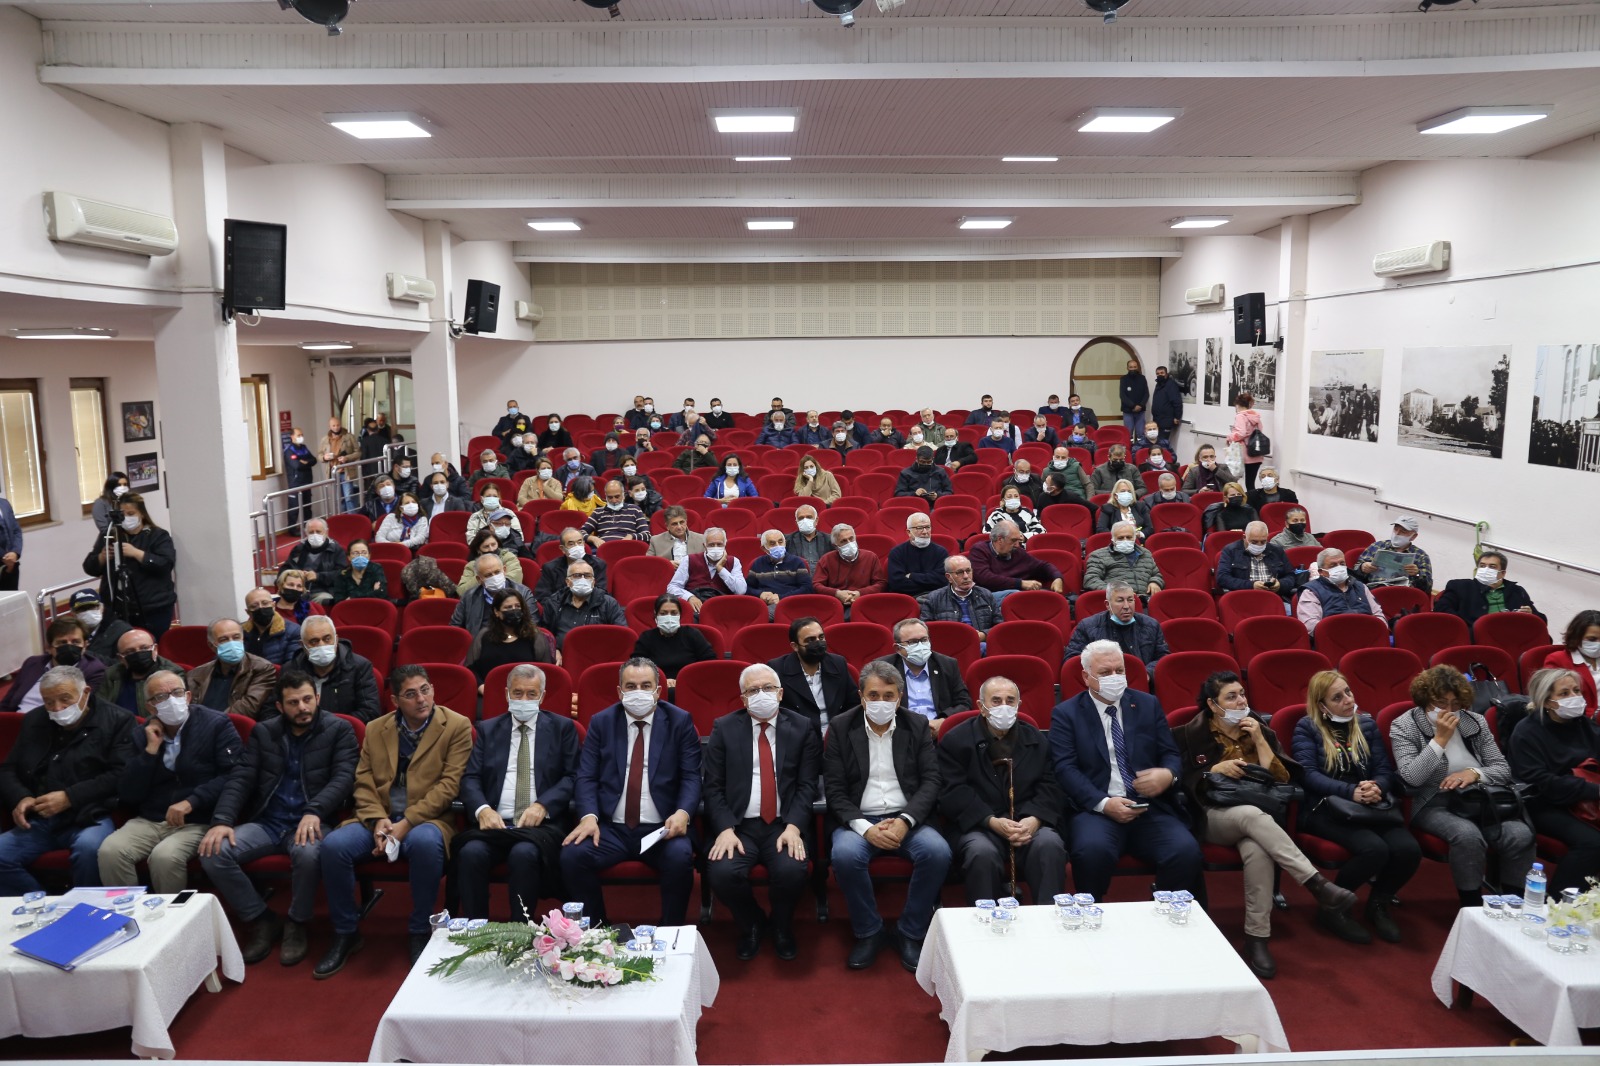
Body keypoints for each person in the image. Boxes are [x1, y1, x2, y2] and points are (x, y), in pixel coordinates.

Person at [1173, 672, 1358, 978]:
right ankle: (1316, 883)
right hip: (1213, 815)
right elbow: (1178, 781)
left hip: (1260, 819)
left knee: (1258, 850)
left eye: (1242, 694)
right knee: (1251, 816)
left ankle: (1256, 938)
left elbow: (1282, 778)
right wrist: (1213, 770)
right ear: (1212, 705)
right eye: (1231, 697)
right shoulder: (1188, 735)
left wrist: (1259, 738)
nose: (1241, 701)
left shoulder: (1260, 728)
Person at [316, 664, 474, 975]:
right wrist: (377, 820)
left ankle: (419, 929)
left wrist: (407, 823)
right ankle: (346, 932)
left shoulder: (456, 725)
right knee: (334, 846)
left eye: (425, 690)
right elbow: (362, 781)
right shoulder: (376, 728)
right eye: (411, 694)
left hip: (427, 819)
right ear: (395, 700)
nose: (421, 699)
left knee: (426, 844)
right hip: (378, 817)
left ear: (433, 690)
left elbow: (449, 785)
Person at [199, 672, 359, 966]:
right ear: (280, 706)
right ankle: (261, 918)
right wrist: (222, 820)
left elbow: (344, 778)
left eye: (307, 699)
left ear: (318, 698)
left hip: (314, 819)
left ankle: (297, 922)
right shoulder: (264, 732)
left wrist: (315, 810)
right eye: (293, 702)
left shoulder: (339, 729)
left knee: (308, 853)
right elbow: (242, 778)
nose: (303, 707)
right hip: (268, 821)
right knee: (213, 852)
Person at [1048, 640, 1202, 901]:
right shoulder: (1066, 713)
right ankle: (1091, 912)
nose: (1115, 677)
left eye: (1119, 671)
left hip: (1149, 806)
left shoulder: (1147, 704)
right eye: (1105, 672)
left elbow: (1170, 753)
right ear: (1086, 677)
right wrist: (1104, 804)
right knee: (1091, 852)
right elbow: (1065, 768)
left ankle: (1162, 910)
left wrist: (1168, 775)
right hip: (1097, 809)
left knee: (1186, 851)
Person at [824, 661, 949, 972]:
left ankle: (911, 931)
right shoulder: (840, 727)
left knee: (937, 852)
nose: (881, 702)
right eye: (873, 695)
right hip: (859, 819)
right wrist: (866, 829)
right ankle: (869, 931)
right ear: (861, 696)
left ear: (900, 696)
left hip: (907, 817)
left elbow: (931, 781)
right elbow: (835, 789)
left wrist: (905, 821)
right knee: (845, 855)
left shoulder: (916, 724)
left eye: (888, 695)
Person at [561, 659, 701, 926]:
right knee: (573, 856)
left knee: (680, 857)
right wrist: (588, 816)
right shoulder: (602, 722)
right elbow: (586, 776)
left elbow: (691, 776)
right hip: (611, 828)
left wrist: (683, 813)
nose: (639, 692)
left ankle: (670, 931)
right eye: (631, 686)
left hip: (661, 829)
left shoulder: (679, 721)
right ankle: (597, 931)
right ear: (620, 691)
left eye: (646, 686)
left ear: (658, 691)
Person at [703, 663, 823, 961]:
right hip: (739, 825)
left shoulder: (803, 727)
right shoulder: (724, 727)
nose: (761, 694)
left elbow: (808, 785)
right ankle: (752, 923)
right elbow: (713, 786)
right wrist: (725, 829)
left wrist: (794, 827)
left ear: (780, 693)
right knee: (722, 872)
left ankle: (781, 926)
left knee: (792, 870)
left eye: (768, 688)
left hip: (784, 823)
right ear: (743, 699)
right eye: (753, 690)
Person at [1391, 665, 1535, 906]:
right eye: (1440, 703)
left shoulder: (1475, 721)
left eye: (1455, 704)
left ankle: (1514, 903)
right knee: (1468, 836)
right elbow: (1412, 777)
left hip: (1480, 798)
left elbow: (1502, 769)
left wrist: (1474, 773)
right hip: (1434, 801)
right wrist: (1439, 740)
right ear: (1425, 700)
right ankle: (1471, 905)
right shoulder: (1404, 725)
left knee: (1520, 834)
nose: (1449, 711)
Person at [1294, 670, 1419, 943]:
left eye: (1348, 692)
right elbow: (1308, 775)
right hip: (1325, 807)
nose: (1348, 700)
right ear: (1322, 705)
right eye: (1337, 697)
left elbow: (1384, 770)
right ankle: (1333, 908)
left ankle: (1378, 903)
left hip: (1368, 803)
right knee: (1374, 850)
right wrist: (1351, 792)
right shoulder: (1307, 727)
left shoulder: (1366, 724)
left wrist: (1377, 787)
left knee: (1408, 850)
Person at [453, 664, 581, 922]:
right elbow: (471, 778)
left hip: (540, 827)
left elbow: (572, 776)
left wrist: (543, 805)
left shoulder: (563, 728)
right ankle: (476, 929)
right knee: (470, 853)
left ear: (542, 696)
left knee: (524, 854)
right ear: (506, 694)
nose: (524, 700)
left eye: (531, 694)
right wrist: (482, 810)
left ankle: (521, 928)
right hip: (495, 824)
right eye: (518, 693)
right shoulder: (488, 729)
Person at [96, 670, 236, 894]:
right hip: (151, 819)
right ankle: (129, 911)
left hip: (197, 819)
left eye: (177, 693)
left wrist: (192, 801)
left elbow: (231, 776)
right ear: (151, 707)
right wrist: (150, 751)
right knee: (110, 852)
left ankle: (170, 915)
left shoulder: (216, 724)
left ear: (188, 697)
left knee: (164, 857)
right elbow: (129, 792)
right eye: (161, 697)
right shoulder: (141, 734)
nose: (171, 700)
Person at [0, 666, 136, 893]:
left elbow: (121, 775)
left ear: (86, 692)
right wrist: (21, 797)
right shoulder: (35, 720)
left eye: (65, 699)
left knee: (89, 849)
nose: (57, 708)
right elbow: (8, 769)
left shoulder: (118, 720)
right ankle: (42, 905)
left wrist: (69, 797)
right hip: (40, 818)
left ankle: (86, 907)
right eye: (48, 702)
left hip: (90, 815)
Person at [939, 675, 1065, 903]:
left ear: (1019, 705)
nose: (1004, 707)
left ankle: (1048, 917)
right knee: (981, 852)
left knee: (1049, 844)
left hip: (1027, 823)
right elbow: (953, 792)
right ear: (981, 706)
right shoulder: (956, 741)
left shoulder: (1036, 739)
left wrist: (1034, 820)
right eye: (996, 701)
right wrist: (991, 821)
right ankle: (985, 917)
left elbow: (1051, 786)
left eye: (1010, 701)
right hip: (980, 825)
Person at [1509, 668, 1600, 893]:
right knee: (1592, 843)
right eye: (1565, 693)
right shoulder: (1527, 732)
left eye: (1577, 691)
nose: (1574, 697)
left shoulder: (1584, 724)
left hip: (1587, 798)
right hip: (1545, 803)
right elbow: (1540, 782)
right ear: (1547, 701)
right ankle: (1559, 903)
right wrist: (1593, 790)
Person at [81, 491, 178, 638]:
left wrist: (137, 554)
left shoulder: (157, 535)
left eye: (131, 513)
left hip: (152, 607)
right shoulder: (109, 535)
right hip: (116, 608)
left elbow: (165, 564)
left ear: (142, 514)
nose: (126, 518)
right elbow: (89, 568)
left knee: (151, 644)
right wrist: (102, 557)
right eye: (122, 514)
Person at [876, 619, 971, 730]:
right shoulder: (883, 668)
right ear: (898, 648)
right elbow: (876, 707)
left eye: (924, 640)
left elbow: (964, 703)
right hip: (901, 730)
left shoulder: (947, 664)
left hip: (941, 730)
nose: (920, 646)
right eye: (913, 642)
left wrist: (943, 721)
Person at [768, 617, 854, 737]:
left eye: (821, 637)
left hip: (835, 734)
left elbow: (853, 703)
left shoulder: (837, 663)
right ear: (795, 646)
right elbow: (774, 711)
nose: (818, 643)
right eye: (810, 640)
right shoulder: (778, 668)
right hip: (797, 736)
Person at [0, 618, 107, 714]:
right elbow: (8, 702)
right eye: (62, 643)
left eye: (75, 642)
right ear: (49, 647)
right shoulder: (33, 663)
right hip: (16, 719)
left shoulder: (94, 670)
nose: (69, 647)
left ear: (85, 645)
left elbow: (81, 710)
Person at [286, 617, 382, 721]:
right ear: (302, 645)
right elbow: (276, 711)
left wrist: (329, 726)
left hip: (344, 729)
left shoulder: (360, 667)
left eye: (327, 639)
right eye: (314, 641)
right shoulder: (291, 670)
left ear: (336, 640)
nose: (322, 645)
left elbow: (369, 712)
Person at [1066, 581, 1169, 674]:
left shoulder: (1151, 625)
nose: (1126, 606)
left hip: (1142, 682)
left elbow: (1163, 658)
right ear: (1107, 604)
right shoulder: (1087, 627)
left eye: (1130, 600)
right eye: (1120, 601)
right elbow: (1072, 660)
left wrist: (1146, 673)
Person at [185, 618, 277, 719]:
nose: (232, 643)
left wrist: (211, 724)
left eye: (236, 637)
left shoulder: (261, 668)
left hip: (233, 726)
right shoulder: (195, 675)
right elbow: (189, 709)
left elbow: (247, 708)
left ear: (242, 639)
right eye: (223, 639)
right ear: (211, 645)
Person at [465, 588, 556, 687]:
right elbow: (470, 669)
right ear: (496, 612)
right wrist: (481, 686)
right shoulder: (484, 635)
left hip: (525, 692)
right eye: (508, 607)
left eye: (517, 606)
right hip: (488, 691)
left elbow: (546, 671)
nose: (514, 610)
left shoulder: (534, 636)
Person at [631, 593, 717, 692]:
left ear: (680, 615)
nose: (669, 617)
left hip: (691, 687)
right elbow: (637, 667)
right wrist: (661, 681)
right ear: (656, 615)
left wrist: (683, 681)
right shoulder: (646, 637)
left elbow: (710, 663)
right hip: (656, 688)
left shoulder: (692, 634)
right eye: (663, 613)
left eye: (674, 613)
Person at [1434, 551, 1544, 626]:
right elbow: (1441, 608)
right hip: (1476, 636)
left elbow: (1542, 620)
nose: (1486, 570)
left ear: (1503, 573)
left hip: (1512, 635)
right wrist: (1466, 627)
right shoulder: (1460, 586)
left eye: (1492, 567)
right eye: (1482, 566)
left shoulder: (1517, 591)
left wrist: (1532, 615)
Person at [539, 559, 627, 648]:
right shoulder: (554, 603)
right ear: (568, 582)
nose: (582, 579)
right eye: (577, 576)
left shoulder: (608, 603)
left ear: (593, 582)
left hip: (599, 653)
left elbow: (622, 634)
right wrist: (554, 650)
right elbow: (545, 636)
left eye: (587, 576)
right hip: (562, 655)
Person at [1296, 548, 1383, 634]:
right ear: (1321, 572)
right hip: (1334, 638)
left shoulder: (1360, 586)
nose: (1339, 568)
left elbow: (1379, 616)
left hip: (1368, 635)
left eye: (1342, 564)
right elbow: (1311, 627)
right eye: (1333, 565)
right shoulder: (1311, 591)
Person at [970, 519, 1063, 599]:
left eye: (1019, 541)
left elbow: (1042, 566)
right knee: (1015, 595)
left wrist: (1057, 577)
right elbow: (985, 578)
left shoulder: (1018, 552)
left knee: (1045, 595)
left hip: (1016, 597)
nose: (1017, 545)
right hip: (988, 598)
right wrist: (1020, 583)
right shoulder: (979, 550)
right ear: (1000, 539)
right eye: (1013, 540)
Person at [98, 628, 184, 713]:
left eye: (144, 648)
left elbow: (173, 713)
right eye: (130, 652)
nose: (138, 654)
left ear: (155, 649)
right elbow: (99, 708)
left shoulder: (173, 675)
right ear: (121, 658)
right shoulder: (111, 674)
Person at [666, 526, 748, 614]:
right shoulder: (689, 560)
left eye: (719, 544)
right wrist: (689, 597)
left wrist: (720, 569)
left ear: (725, 545)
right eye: (711, 545)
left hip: (723, 608)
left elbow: (741, 590)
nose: (715, 548)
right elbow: (672, 587)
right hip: (696, 608)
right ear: (704, 546)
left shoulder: (733, 561)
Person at [918, 555, 1000, 641]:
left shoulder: (985, 594)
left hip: (981, 642)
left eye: (968, 571)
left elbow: (999, 625)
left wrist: (983, 634)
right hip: (949, 643)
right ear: (949, 577)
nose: (966, 576)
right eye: (960, 572)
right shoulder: (934, 598)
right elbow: (925, 629)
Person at [1215, 521, 1299, 599]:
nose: (1259, 545)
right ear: (1244, 537)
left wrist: (1280, 585)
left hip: (1274, 598)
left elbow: (1291, 576)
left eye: (1263, 542)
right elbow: (1223, 578)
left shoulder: (1277, 550)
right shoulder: (1231, 551)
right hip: (1243, 598)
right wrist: (1251, 585)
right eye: (1254, 542)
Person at [814, 524, 887, 611]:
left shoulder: (871, 557)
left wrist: (859, 593)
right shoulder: (826, 559)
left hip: (865, 603)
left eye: (851, 539)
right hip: (835, 605)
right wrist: (837, 593)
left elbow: (880, 583)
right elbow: (817, 584)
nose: (849, 543)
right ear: (835, 546)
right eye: (843, 541)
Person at [1082, 522, 1163, 597]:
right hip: (1117, 600)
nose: (1125, 540)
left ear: (1134, 538)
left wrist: (1155, 582)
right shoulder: (1099, 555)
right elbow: (1090, 579)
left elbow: (1156, 574)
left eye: (1129, 537)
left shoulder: (1145, 553)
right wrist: (1115, 591)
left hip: (1146, 598)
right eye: (1120, 538)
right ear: (1113, 539)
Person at [1543, 610, 1600, 714]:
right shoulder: (1557, 660)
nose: (1598, 643)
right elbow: (1559, 703)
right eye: (1592, 639)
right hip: (1583, 719)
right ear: (1577, 637)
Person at [1356, 516, 1433, 593]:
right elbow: (1354, 572)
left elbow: (1427, 587)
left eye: (1403, 531)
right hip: (1373, 591)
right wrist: (1362, 567)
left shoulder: (1421, 556)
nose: (1397, 533)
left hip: (1402, 594)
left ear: (1413, 536)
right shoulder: (1377, 546)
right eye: (1395, 529)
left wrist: (1417, 574)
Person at [280, 519, 347, 606]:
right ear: (306, 534)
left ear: (326, 532)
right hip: (298, 589)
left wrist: (318, 576)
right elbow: (284, 570)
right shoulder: (298, 549)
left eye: (318, 532)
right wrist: (295, 573)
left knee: (325, 601)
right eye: (311, 532)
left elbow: (341, 574)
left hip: (323, 591)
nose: (315, 535)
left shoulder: (337, 550)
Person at [747, 528, 814, 614]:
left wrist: (781, 597)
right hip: (765, 604)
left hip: (791, 604)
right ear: (764, 548)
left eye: (780, 542)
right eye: (772, 543)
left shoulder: (797, 562)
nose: (778, 546)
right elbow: (747, 588)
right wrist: (760, 594)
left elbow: (807, 588)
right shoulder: (758, 563)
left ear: (785, 543)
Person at [532, 528, 608, 601]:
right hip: (560, 607)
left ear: (584, 544)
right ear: (562, 549)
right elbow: (542, 596)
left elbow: (601, 593)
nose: (577, 546)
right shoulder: (550, 568)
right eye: (571, 544)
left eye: (579, 542)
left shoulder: (598, 565)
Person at [887, 513, 948, 597]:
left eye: (928, 527)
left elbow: (942, 581)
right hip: (907, 598)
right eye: (919, 528)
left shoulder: (941, 552)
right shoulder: (897, 553)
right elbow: (897, 584)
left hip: (936, 598)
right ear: (909, 532)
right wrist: (930, 583)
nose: (925, 532)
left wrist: (913, 576)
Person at [70, 588, 131, 666]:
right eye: (82, 609)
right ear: (73, 613)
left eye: (92, 607)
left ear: (102, 608)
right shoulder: (71, 634)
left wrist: (85, 653)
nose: (88, 612)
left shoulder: (121, 630)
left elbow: (123, 664)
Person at [243, 587, 301, 667]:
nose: (260, 607)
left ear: (273, 605)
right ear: (248, 612)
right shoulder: (241, 633)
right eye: (254, 606)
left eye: (265, 603)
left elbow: (291, 666)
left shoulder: (293, 631)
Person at [581, 479, 649, 547]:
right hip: (604, 548)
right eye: (610, 497)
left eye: (617, 497)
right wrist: (593, 538)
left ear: (623, 495)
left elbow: (647, 535)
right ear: (606, 496)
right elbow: (581, 533)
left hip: (627, 547)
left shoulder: (635, 510)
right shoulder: (598, 512)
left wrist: (632, 536)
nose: (614, 500)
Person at [1225, 392, 1266, 493]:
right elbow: (1260, 430)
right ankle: (1252, 501)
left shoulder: (1240, 416)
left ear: (1237, 404)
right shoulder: (1256, 417)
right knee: (1250, 483)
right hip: (1257, 453)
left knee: (1234, 480)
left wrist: (1230, 437)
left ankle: (1244, 501)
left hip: (1245, 454)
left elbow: (1241, 433)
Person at [317, 416, 360, 513]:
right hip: (333, 472)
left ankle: (353, 518)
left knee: (349, 497)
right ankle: (342, 518)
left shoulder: (349, 437)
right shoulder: (325, 440)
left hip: (346, 471)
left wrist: (347, 458)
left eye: (338, 425)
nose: (336, 427)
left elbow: (358, 452)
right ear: (329, 426)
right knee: (339, 499)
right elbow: (319, 455)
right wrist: (324, 457)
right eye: (334, 426)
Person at [459, 529, 525, 591]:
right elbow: (461, 590)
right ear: (479, 550)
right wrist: (481, 574)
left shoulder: (508, 557)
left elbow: (515, 579)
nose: (491, 549)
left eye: (493, 544)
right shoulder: (471, 566)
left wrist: (493, 582)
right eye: (486, 546)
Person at [328, 539, 387, 603]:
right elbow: (338, 600)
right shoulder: (342, 574)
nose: (360, 556)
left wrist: (351, 598)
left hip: (374, 605)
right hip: (350, 608)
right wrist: (372, 591)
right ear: (349, 557)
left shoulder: (376, 568)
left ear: (369, 556)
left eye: (364, 553)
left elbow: (381, 593)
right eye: (355, 553)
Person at [281, 430, 316, 531]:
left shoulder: (304, 447)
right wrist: (306, 462)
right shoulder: (289, 451)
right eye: (298, 435)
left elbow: (314, 460)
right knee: (294, 507)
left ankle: (307, 527)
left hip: (307, 481)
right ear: (292, 436)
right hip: (295, 483)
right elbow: (296, 465)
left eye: (302, 435)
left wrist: (305, 462)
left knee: (307, 507)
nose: (301, 437)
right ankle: (292, 530)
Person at [785, 504, 831, 573]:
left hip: (822, 577)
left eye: (809, 517)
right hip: (797, 577)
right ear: (797, 523)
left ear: (816, 520)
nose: (805, 521)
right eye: (801, 518)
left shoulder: (829, 540)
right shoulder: (787, 540)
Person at [1150, 364, 1184, 449]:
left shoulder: (1171, 385)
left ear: (1166, 374)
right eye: (1158, 373)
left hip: (1166, 420)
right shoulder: (1158, 384)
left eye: (1162, 373)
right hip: (1157, 420)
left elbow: (1177, 402)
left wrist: (1177, 416)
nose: (1160, 375)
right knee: (1156, 443)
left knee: (1163, 443)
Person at [1119, 359, 1149, 445]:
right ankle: (1129, 449)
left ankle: (1140, 450)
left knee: (1141, 433)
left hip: (1140, 411)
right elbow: (1122, 395)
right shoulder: (1123, 379)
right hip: (1128, 411)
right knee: (1128, 433)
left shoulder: (1142, 378)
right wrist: (1133, 406)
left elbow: (1146, 394)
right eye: (1131, 367)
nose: (1133, 369)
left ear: (1137, 367)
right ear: (1127, 368)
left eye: (1135, 367)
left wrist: (1140, 405)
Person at [90, 471, 130, 535]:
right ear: (111, 486)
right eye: (119, 485)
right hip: (111, 538)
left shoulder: (130, 501)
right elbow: (104, 529)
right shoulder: (100, 503)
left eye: (125, 484)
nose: (122, 487)